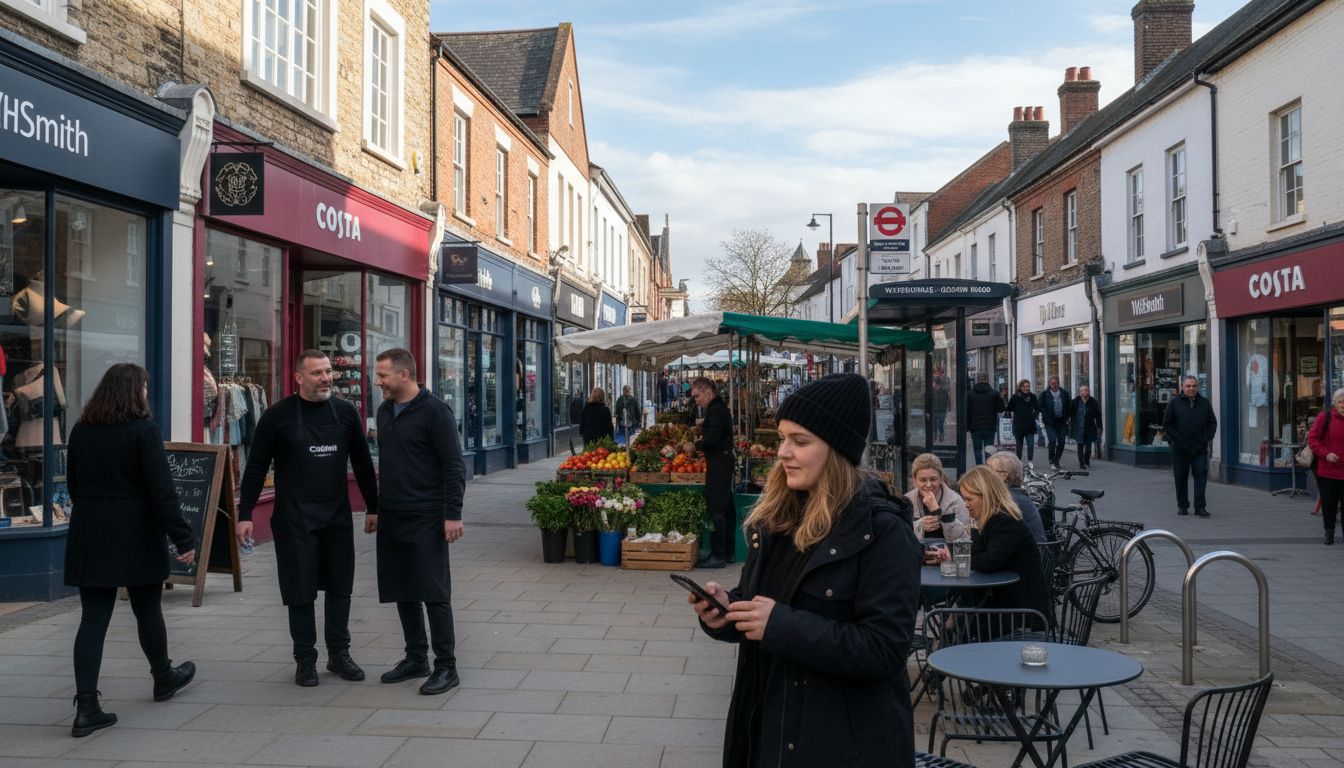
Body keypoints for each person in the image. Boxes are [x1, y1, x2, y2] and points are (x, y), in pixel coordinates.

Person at [686, 373, 920, 768]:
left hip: (842, 744)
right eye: (782, 438)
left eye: (800, 441)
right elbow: (762, 602)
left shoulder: (882, 531)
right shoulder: (779, 518)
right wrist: (726, 611)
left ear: (836, 448)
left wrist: (779, 625)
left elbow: (885, 649)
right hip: (769, 730)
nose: (783, 452)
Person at [63, 364, 198, 737]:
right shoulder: (143, 431)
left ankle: (87, 707)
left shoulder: (81, 430)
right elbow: (162, 490)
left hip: (91, 531)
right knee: (147, 608)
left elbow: (73, 483)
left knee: (93, 618)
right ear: (133, 391)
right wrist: (183, 538)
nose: (146, 393)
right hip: (136, 530)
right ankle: (163, 677)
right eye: (144, 387)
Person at [237, 350, 378, 687]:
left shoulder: (345, 413)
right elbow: (256, 466)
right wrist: (245, 514)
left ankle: (339, 654)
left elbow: (361, 461)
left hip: (336, 516)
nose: (326, 378)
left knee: (340, 587)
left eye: (328, 371)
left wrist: (374, 506)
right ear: (299, 378)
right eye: (317, 373)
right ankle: (305, 659)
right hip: (294, 518)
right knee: (299, 590)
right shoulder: (277, 416)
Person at [367, 348, 467, 695]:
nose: (378, 382)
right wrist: (376, 508)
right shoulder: (384, 411)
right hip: (393, 514)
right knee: (402, 588)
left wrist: (453, 514)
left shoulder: (435, 411)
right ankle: (415, 658)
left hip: (427, 515)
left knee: (434, 591)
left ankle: (446, 666)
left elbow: (454, 465)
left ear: (404, 375)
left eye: (383, 376)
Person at [935, 466, 1049, 623]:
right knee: (957, 614)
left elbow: (988, 562)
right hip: (1001, 600)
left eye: (969, 499)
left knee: (960, 619)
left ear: (986, 496)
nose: (966, 504)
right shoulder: (986, 520)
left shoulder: (1005, 521)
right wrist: (951, 552)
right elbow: (976, 553)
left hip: (1020, 612)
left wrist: (954, 555)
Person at [683, 377, 734, 568]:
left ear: (707, 392)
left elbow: (712, 440)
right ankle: (728, 552)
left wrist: (694, 446)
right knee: (725, 506)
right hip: (722, 459)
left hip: (720, 461)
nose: (695, 400)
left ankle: (718, 555)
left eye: (697, 396)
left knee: (718, 507)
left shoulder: (717, 410)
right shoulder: (717, 409)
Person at [1162, 375, 1217, 517]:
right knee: (1180, 477)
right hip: (1180, 448)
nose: (1191, 389)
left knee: (1201, 477)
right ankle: (1182, 506)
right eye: (1188, 386)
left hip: (1199, 448)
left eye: (1194, 386)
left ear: (1197, 387)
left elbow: (1212, 423)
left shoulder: (1204, 403)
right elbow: (1167, 423)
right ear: (1183, 387)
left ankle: (1200, 507)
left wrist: (1206, 438)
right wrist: (1178, 439)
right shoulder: (1174, 403)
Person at [906, 452, 972, 544]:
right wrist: (919, 526)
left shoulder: (956, 501)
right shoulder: (907, 501)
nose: (928, 485)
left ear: (941, 478)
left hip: (947, 555)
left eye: (933, 479)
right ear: (915, 480)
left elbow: (963, 538)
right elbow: (900, 535)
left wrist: (937, 511)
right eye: (923, 480)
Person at [1307, 389, 1344, 544]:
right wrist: (1326, 453)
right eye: (1341, 402)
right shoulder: (1325, 418)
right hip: (1328, 472)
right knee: (1329, 505)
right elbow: (1313, 439)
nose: (1343, 405)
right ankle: (1329, 531)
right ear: (1334, 403)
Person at [986, 451, 1048, 543]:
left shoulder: (1008, 501)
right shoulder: (1016, 495)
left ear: (1003, 476)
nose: (984, 474)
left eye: (989, 470)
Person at [966, 371, 1004, 465]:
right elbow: (1001, 409)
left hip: (975, 427)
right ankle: (988, 468)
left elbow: (967, 412)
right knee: (989, 450)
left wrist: (968, 427)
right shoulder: (994, 393)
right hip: (989, 427)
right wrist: (1001, 398)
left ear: (977, 380)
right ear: (987, 380)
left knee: (977, 450)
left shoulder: (970, 394)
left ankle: (979, 468)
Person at [1038, 375, 1071, 469]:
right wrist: (1045, 413)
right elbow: (1039, 406)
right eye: (1052, 383)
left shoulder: (1064, 393)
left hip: (1061, 421)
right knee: (1052, 440)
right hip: (1049, 422)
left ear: (1058, 383)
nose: (1054, 385)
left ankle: (1056, 460)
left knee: (1061, 441)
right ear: (1049, 384)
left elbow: (1069, 406)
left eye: (1055, 383)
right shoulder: (1044, 394)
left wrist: (1068, 417)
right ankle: (1051, 458)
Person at [1006, 379, 1041, 463]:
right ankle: (1018, 462)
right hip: (1018, 425)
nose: (1026, 388)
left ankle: (1030, 462)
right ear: (1020, 387)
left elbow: (1037, 409)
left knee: (1030, 445)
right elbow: (1009, 408)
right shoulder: (1015, 397)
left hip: (1030, 425)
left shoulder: (1032, 396)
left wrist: (1033, 417)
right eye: (1024, 386)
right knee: (1019, 446)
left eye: (1027, 386)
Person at [1070, 385, 1103, 470]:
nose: (1084, 392)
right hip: (1078, 427)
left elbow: (1098, 415)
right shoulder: (1075, 401)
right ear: (1079, 392)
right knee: (1080, 445)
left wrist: (1099, 426)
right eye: (1082, 391)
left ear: (1089, 392)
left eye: (1086, 390)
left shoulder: (1093, 402)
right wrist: (1070, 422)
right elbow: (1070, 413)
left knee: (1088, 446)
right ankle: (1081, 463)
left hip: (1090, 427)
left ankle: (1086, 459)